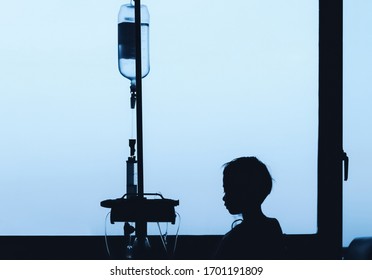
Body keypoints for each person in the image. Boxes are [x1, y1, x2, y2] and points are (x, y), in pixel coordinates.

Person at [214, 157, 285, 259]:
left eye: (228, 190)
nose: (224, 197)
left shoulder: (236, 237)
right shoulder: (273, 226)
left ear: (245, 192)